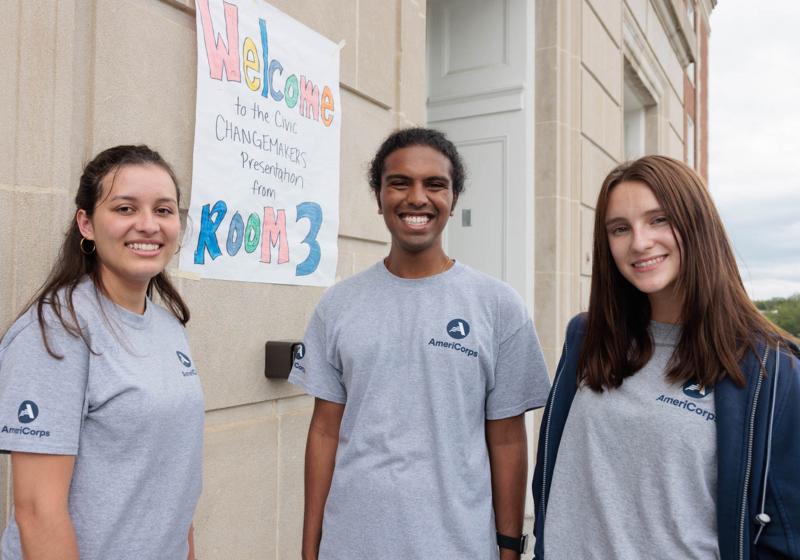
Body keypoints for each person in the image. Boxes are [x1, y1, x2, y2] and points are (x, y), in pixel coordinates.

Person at [289, 127, 551, 559]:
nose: (417, 198)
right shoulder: (338, 305)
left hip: (459, 546)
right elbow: (324, 431)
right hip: (352, 544)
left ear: (453, 198)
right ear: (378, 197)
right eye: (399, 183)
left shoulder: (498, 306)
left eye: (434, 184)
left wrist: (509, 549)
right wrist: (309, 548)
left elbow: (507, 441)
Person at [532, 155, 800, 559]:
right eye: (620, 228)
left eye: (659, 220)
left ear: (697, 224)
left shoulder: (771, 369)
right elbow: (554, 474)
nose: (639, 242)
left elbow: (785, 534)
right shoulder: (587, 336)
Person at [0, 145, 204, 560]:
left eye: (163, 210)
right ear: (86, 224)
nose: (148, 225)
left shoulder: (168, 328)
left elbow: (172, 482)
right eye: (125, 208)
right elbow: (37, 513)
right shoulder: (57, 330)